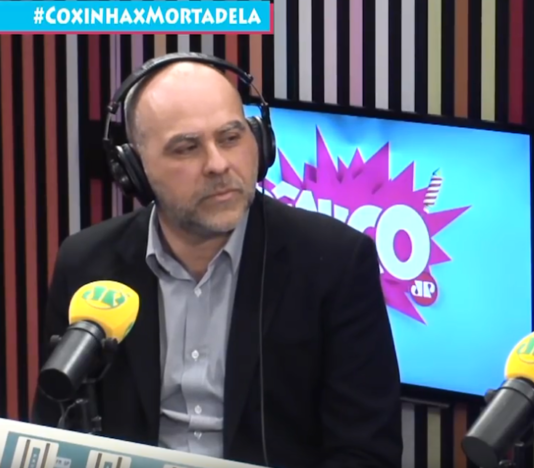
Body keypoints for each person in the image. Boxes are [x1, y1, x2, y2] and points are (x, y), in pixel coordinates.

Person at [32, 54, 403, 468]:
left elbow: (367, 451)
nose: (218, 164)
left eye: (231, 137)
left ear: (259, 141)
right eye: (187, 148)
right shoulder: (87, 262)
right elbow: (55, 430)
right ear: (133, 168)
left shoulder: (335, 262)